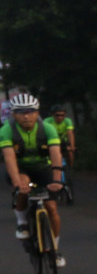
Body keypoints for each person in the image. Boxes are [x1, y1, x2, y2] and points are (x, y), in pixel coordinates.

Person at [2, 93, 66, 265]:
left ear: (37, 113)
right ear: (13, 115)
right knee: (23, 185)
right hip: (21, 168)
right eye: (20, 112)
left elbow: (55, 154)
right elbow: (9, 158)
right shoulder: (7, 130)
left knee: (52, 208)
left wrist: (57, 180)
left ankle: (55, 249)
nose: (26, 116)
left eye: (30, 111)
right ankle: (22, 222)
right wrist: (17, 183)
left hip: (43, 168)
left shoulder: (47, 128)